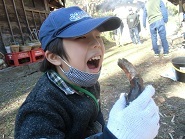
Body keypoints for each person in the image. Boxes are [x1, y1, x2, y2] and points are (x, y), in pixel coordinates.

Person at [14, 6, 160, 139]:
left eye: (98, 36)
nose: (97, 43)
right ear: (54, 57)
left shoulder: (87, 81)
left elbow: (95, 118)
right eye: (81, 37)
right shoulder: (39, 111)